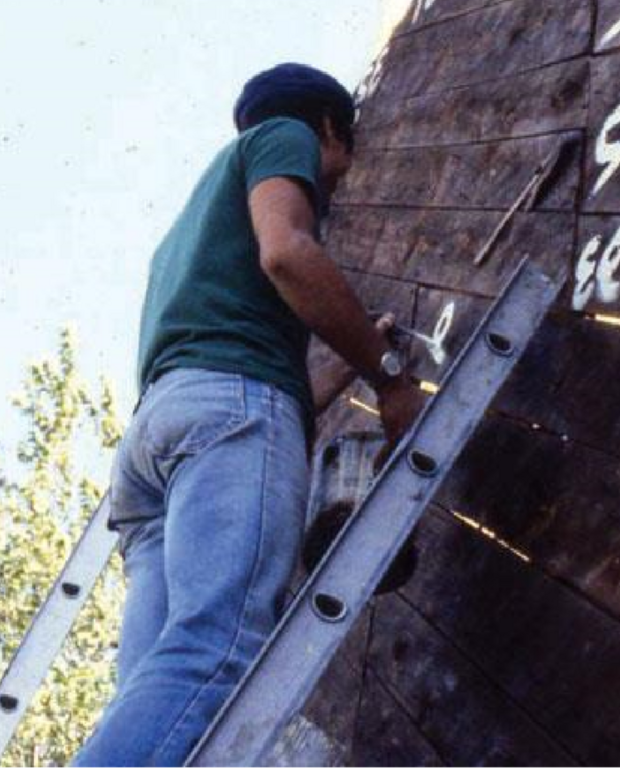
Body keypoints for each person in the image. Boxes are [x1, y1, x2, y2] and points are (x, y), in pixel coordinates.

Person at [69, 62, 426, 768]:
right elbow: (289, 254)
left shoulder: (185, 236)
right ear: (329, 126)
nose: (332, 187)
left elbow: (261, 387)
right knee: (218, 652)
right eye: (339, 166)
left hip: (156, 452)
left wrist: (348, 358)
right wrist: (388, 380)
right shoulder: (283, 135)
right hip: (222, 421)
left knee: (163, 692)